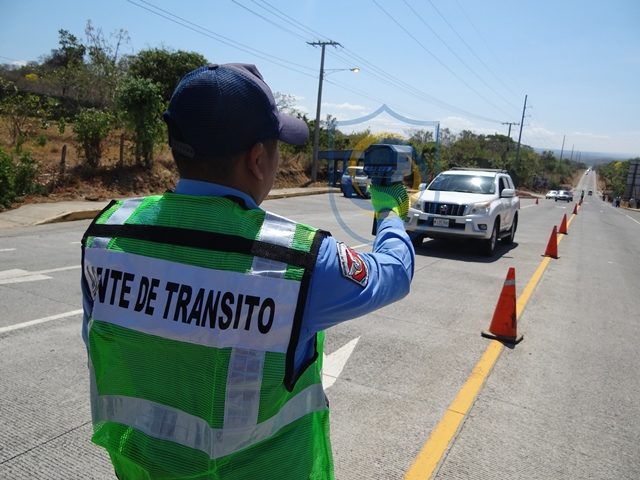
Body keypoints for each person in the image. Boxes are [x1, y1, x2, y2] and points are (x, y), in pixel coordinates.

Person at [81, 63, 414, 480]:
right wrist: (389, 212)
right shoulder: (298, 260)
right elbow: (394, 272)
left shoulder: (108, 235)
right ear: (257, 159)